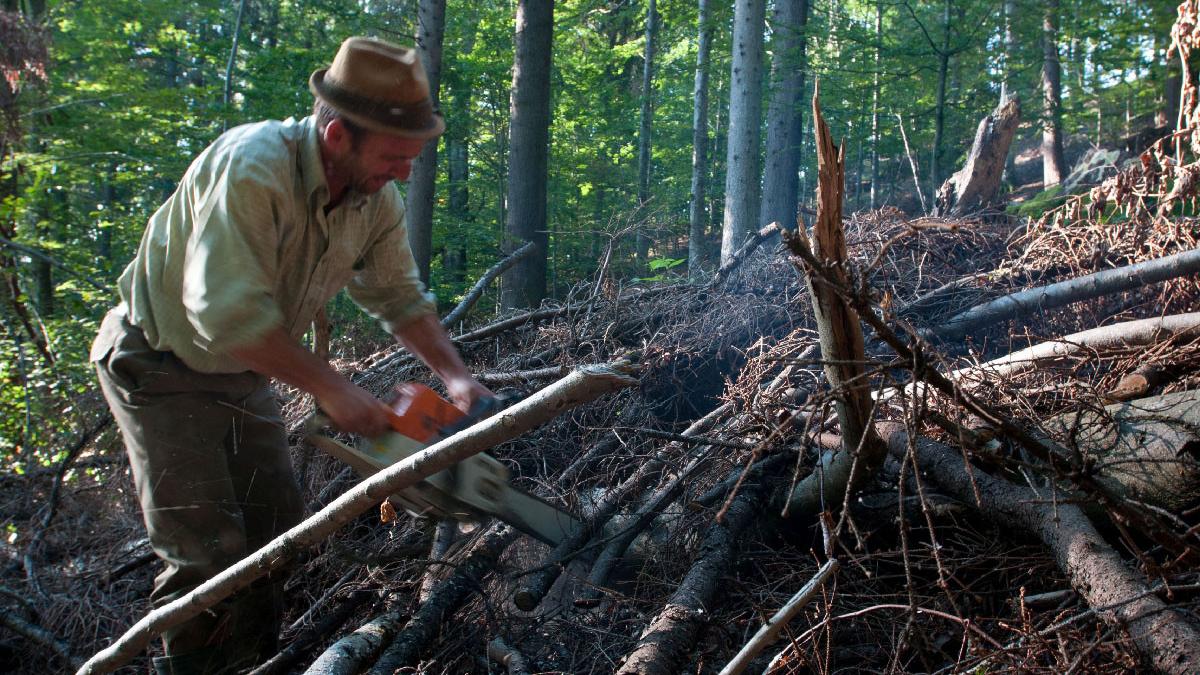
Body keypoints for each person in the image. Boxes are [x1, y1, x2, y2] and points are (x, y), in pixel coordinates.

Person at [91, 36, 493, 674]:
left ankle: (254, 663)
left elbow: (397, 295)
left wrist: (456, 376)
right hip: (157, 365)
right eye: (394, 156)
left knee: (277, 534)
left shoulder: (373, 198)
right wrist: (331, 387)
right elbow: (223, 314)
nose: (405, 173)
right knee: (208, 557)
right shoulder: (253, 167)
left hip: (244, 371)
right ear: (337, 136)